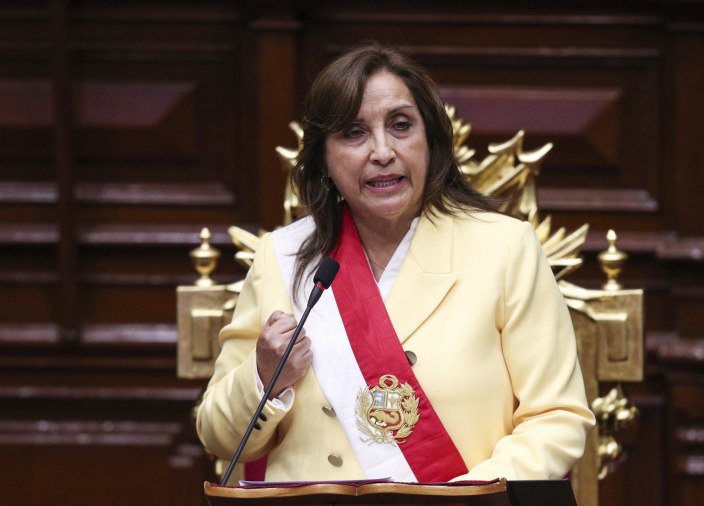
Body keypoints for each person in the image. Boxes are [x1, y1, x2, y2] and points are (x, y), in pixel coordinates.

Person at [196, 42, 595, 483]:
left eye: (401, 126)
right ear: (323, 159)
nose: (382, 151)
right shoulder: (283, 256)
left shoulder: (505, 248)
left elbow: (556, 420)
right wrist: (263, 377)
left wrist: (462, 500)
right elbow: (218, 436)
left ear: (431, 142)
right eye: (353, 133)